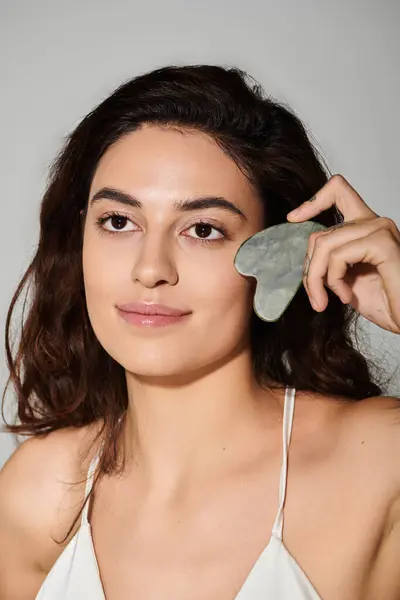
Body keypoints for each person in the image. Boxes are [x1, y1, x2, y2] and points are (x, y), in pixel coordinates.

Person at [0, 64, 399, 600]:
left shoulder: (377, 462)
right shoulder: (38, 493)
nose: (150, 269)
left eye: (203, 229)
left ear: (282, 253)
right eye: (118, 221)